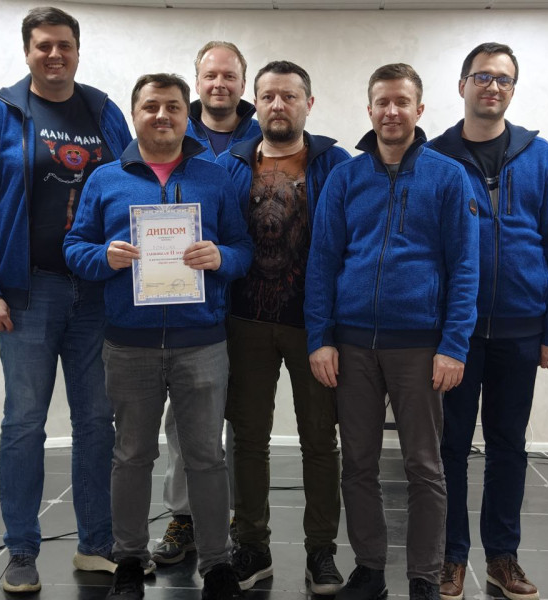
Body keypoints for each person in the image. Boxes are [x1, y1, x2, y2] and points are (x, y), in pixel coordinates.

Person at [0, 6, 132, 593]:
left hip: (97, 291)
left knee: (97, 422)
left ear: (78, 51)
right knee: (25, 423)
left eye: (64, 45)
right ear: (27, 51)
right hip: (29, 292)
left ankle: (96, 544)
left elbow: (132, 184)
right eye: (43, 45)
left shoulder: (103, 112)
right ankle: (22, 550)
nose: (55, 55)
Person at [63, 73, 253, 600]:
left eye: (172, 106)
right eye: (151, 107)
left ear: (186, 115)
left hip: (202, 342)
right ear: (135, 114)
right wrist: (102, 257)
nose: (162, 115)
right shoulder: (105, 179)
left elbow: (242, 248)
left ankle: (217, 564)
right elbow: (75, 247)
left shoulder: (214, 178)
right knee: (131, 456)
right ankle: (129, 558)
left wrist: (222, 257)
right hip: (129, 343)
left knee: (206, 457)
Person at [305, 63, 479, 600]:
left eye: (402, 101)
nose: (391, 111)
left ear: (419, 109)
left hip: (420, 347)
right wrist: (320, 338)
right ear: (370, 109)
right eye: (382, 102)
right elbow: (322, 261)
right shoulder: (346, 177)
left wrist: (453, 346)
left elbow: (465, 267)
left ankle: (424, 575)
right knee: (357, 464)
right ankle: (370, 569)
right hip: (352, 344)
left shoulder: (448, 177)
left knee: (424, 465)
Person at [428, 43, 548, 600]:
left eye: (503, 79)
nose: (492, 86)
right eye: (482, 76)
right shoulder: (435, 156)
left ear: (513, 90)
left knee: (508, 445)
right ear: (462, 85)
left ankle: (502, 557)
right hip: (454, 336)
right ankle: (451, 556)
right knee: (449, 449)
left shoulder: (541, 156)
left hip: (521, 329)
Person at [215, 60, 350, 594]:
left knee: (320, 439)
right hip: (244, 323)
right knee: (248, 439)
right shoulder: (229, 166)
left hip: (312, 326)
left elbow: (347, 245)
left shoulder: (336, 165)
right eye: (268, 95)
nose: (278, 105)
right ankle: (252, 545)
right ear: (256, 102)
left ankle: (321, 551)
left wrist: (331, 328)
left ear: (308, 104)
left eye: (289, 96)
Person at [155, 40, 261, 567]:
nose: (220, 84)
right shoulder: (170, 133)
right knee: (184, 420)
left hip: (255, 300)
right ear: (197, 81)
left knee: (244, 418)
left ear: (243, 82)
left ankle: (237, 516)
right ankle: (184, 516)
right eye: (211, 75)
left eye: (230, 75)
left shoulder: (268, 137)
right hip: (188, 308)